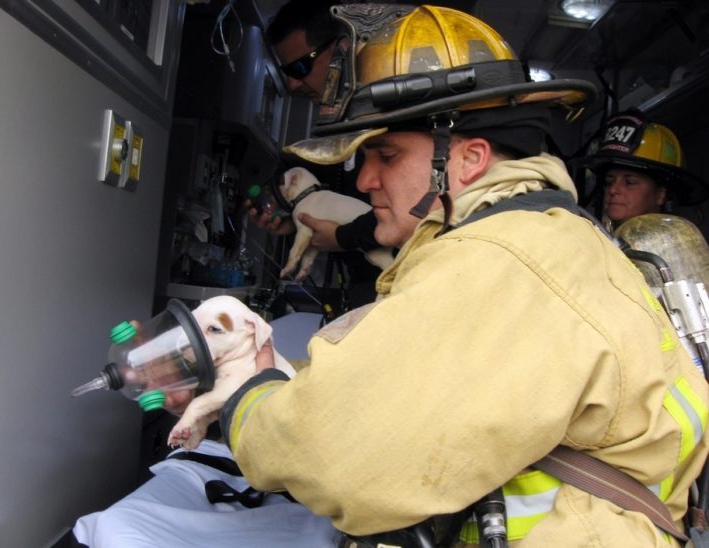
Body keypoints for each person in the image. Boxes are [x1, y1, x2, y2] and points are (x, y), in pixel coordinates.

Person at [216, 5, 709, 547]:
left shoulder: (500, 257)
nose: (366, 179)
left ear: (470, 157)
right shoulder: (543, 235)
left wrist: (245, 395)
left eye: (384, 154)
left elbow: (328, 455)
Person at [249, 0, 386, 308]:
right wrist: (299, 219)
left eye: (300, 67)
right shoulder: (342, 125)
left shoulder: (387, 116)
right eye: (286, 72)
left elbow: (419, 214)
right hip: (365, 289)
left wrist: (343, 238)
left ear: (341, 49)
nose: (293, 83)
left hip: (396, 288)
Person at [576, 108, 709, 232]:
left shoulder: (677, 247)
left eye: (630, 182)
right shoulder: (598, 243)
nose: (613, 190)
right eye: (609, 182)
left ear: (661, 195)